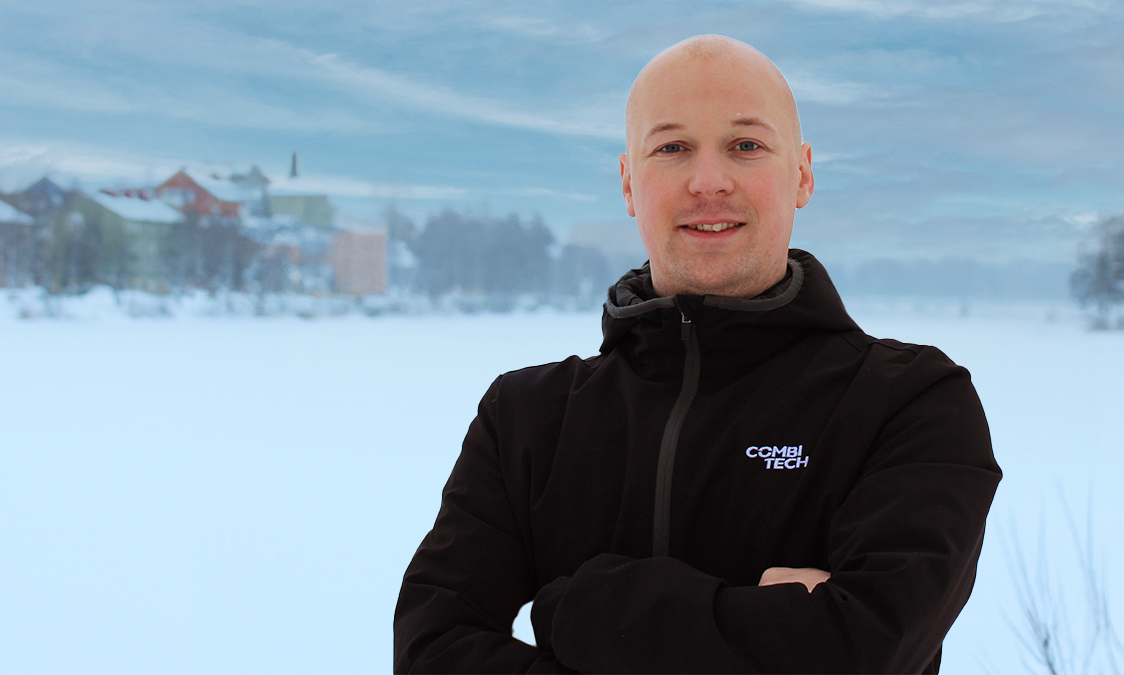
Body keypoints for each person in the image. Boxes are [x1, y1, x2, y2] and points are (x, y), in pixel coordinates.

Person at [393, 35, 1001, 674]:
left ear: (802, 173)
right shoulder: (526, 418)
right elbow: (432, 650)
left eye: (745, 145)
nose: (708, 181)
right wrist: (778, 629)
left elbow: (866, 649)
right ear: (630, 184)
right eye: (673, 147)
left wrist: (593, 611)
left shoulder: (910, 402)